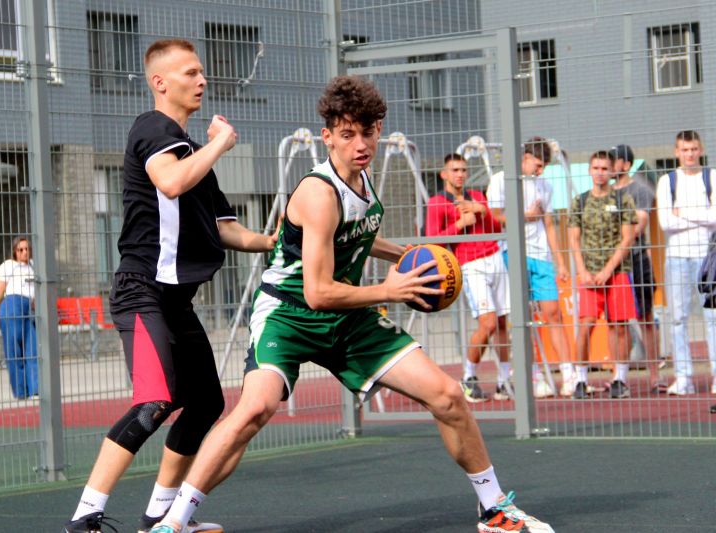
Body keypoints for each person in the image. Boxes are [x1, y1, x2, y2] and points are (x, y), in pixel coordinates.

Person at [149, 76, 553, 533]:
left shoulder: (361, 180)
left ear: (379, 130)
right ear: (328, 136)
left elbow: (357, 232)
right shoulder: (318, 193)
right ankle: (174, 522)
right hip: (289, 314)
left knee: (448, 395)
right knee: (255, 409)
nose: (360, 144)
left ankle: (493, 508)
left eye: (368, 132)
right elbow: (317, 292)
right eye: (347, 134)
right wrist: (391, 290)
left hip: (346, 315)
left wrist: (405, 256)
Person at [62, 39, 277, 533]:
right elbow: (171, 182)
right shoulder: (152, 128)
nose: (203, 80)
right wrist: (221, 143)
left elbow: (226, 228)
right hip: (141, 290)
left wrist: (271, 240)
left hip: (176, 302)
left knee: (206, 403)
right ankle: (83, 519)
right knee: (154, 402)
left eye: (201, 73)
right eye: (190, 73)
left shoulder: (192, 154)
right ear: (160, 82)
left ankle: (159, 516)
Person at [487, 137, 575, 398]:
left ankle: (569, 374)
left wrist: (559, 261)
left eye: (544, 166)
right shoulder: (501, 180)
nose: (540, 170)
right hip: (513, 253)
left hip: (541, 256)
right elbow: (495, 217)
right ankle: (533, 374)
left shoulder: (544, 185)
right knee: (522, 317)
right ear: (525, 158)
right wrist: (526, 216)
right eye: (537, 165)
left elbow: (549, 224)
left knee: (553, 312)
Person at [426, 153, 511, 402]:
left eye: (463, 170)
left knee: (503, 323)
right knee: (488, 324)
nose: (460, 174)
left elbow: (497, 228)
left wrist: (482, 210)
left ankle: (504, 381)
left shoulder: (476, 196)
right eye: (455, 170)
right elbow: (432, 241)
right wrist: (460, 224)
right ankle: (469, 376)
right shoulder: (437, 202)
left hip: (495, 258)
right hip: (471, 264)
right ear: (444, 174)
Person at [568, 151, 637, 399]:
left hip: (617, 271)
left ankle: (620, 378)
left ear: (612, 171)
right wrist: (582, 270)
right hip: (589, 274)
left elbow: (627, 238)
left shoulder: (622, 199)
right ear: (589, 170)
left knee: (619, 325)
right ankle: (580, 379)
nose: (600, 173)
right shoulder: (580, 201)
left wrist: (608, 269)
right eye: (596, 168)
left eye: (604, 168)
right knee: (586, 324)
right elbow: (574, 239)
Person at [656, 130, 716, 396]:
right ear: (676, 152)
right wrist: (702, 214)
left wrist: (685, 213)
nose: (689, 154)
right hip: (677, 257)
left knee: (712, 316)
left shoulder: (711, 177)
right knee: (678, 317)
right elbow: (665, 222)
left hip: (707, 256)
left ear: (700, 150)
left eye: (693, 149)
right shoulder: (667, 181)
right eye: (684, 150)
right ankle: (683, 377)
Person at [610, 144, 666, 393]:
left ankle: (654, 375)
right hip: (612, 265)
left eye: (615, 160)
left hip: (636, 260)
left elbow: (639, 225)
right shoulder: (604, 192)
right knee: (615, 321)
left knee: (645, 317)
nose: (610, 165)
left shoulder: (640, 189)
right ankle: (618, 377)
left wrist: (617, 241)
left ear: (626, 164)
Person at [0, 236, 38, 400]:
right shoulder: (8, 266)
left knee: (32, 349)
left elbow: (35, 295)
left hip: (28, 310)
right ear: (15, 252)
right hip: (11, 307)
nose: (24, 252)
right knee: (14, 352)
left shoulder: (33, 266)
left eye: (27, 249)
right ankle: (21, 391)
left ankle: (35, 390)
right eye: (20, 250)